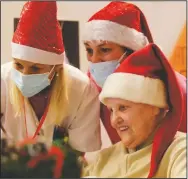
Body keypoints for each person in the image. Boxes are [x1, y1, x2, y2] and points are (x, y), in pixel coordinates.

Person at [1, 1, 101, 153]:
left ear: (56, 68)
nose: (24, 75)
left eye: (36, 68)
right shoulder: (2, 81)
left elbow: (82, 155)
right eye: (19, 65)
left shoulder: (82, 90)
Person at [82, 1, 186, 144]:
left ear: (132, 52)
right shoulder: (94, 84)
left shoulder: (177, 90)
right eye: (89, 50)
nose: (94, 60)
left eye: (104, 50)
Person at [82, 43, 186, 178]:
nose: (114, 121)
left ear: (154, 107)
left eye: (123, 108)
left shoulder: (180, 152)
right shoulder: (102, 159)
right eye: (111, 110)